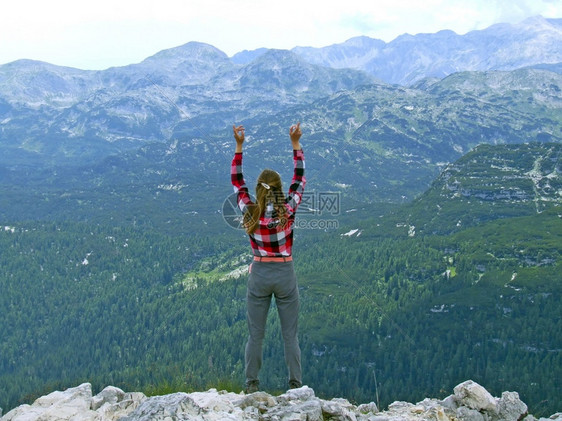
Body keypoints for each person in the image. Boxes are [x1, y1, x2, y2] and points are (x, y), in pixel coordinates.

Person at [231, 122, 306, 393]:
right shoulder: (287, 210)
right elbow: (299, 180)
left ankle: (251, 385)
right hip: (285, 274)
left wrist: (239, 147)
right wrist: (295, 144)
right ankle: (296, 386)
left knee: (256, 335)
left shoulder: (250, 212)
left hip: (260, 274)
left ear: (259, 189)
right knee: (290, 336)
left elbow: (237, 182)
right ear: (278, 188)